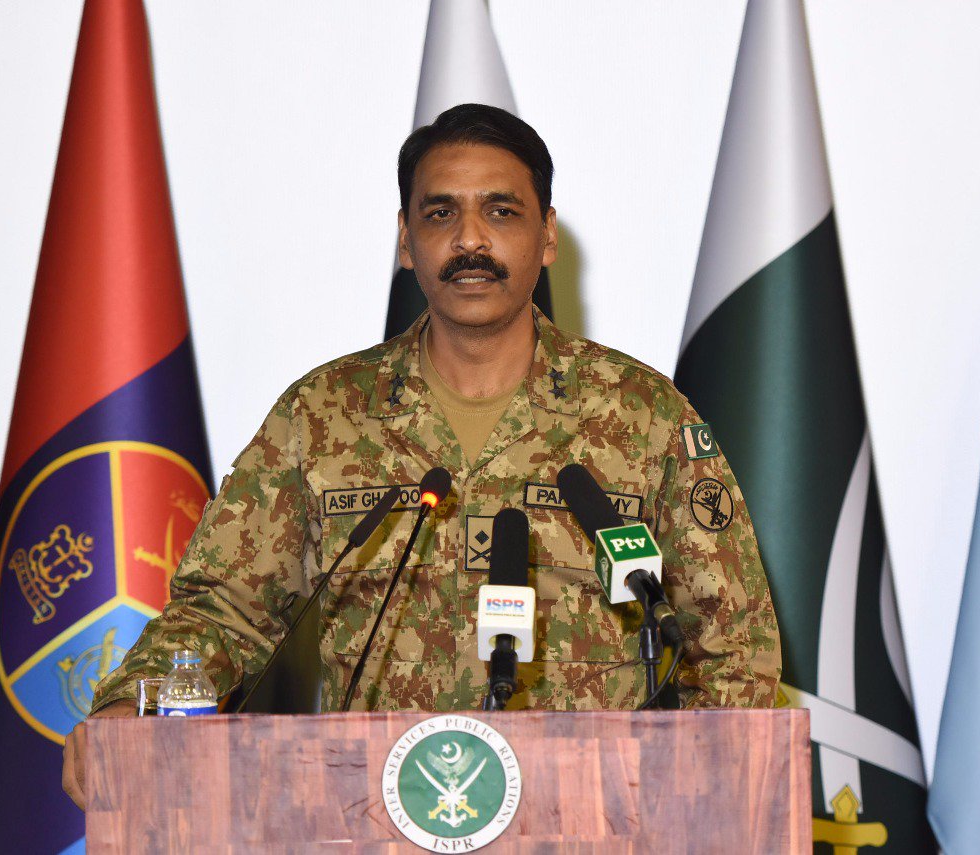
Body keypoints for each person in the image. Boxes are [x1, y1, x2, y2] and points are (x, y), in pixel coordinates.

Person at [62, 103, 780, 808]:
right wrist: (131, 705)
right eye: (440, 214)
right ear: (406, 241)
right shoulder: (323, 415)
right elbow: (222, 611)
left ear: (548, 236)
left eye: (501, 211)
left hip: (591, 820)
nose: (470, 239)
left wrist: (709, 804)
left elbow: (735, 646)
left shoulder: (643, 416)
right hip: (369, 815)